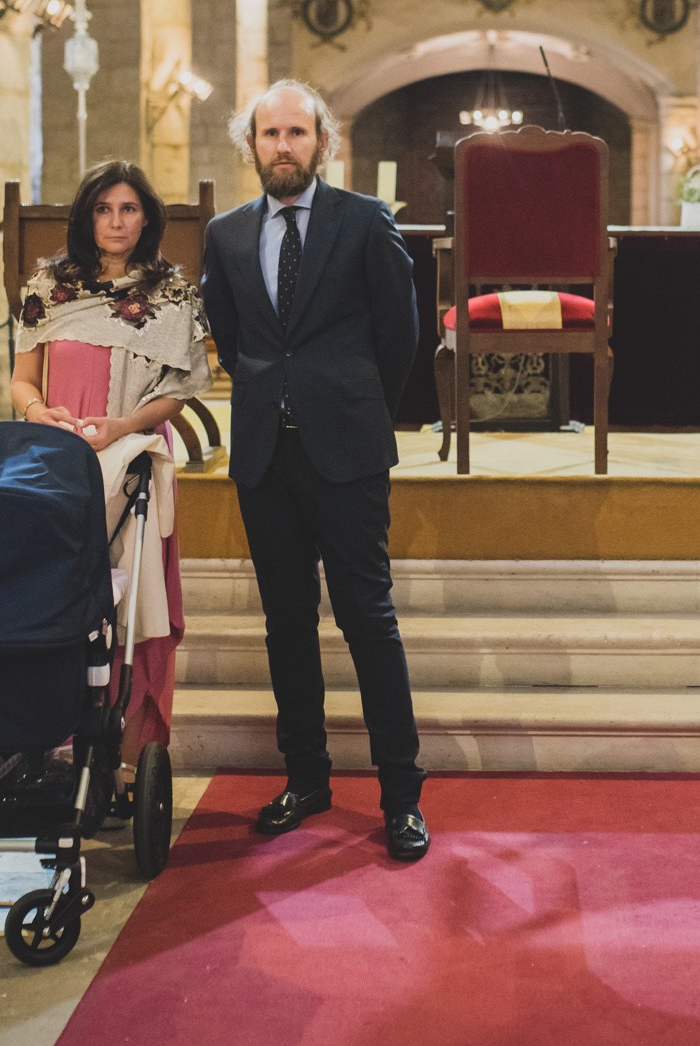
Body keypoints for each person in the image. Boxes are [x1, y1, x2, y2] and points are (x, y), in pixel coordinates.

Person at [201, 79, 430, 862]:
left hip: (349, 452)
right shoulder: (228, 234)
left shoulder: (366, 220)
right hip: (265, 454)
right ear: (251, 144)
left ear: (322, 141)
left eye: (298, 132)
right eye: (270, 134)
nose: (284, 146)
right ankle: (306, 778)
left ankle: (401, 795)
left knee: (369, 619)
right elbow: (233, 342)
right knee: (287, 623)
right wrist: (277, 394)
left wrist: (351, 403)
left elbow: (400, 337)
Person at [10, 160, 211, 777]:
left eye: (128, 209)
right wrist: (40, 411)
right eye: (103, 209)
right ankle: (44, 735)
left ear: (147, 217)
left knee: (126, 610)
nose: (116, 221)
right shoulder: (48, 287)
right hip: (58, 466)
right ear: (85, 216)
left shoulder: (172, 293)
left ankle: (125, 747)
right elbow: (21, 381)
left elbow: (180, 393)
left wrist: (124, 427)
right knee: (55, 598)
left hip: (133, 463)